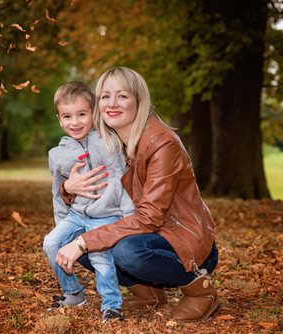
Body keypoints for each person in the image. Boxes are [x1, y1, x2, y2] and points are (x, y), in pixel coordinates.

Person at [55, 67, 219, 323]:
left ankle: (200, 290)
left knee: (123, 251)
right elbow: (77, 183)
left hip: (182, 240)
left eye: (122, 96)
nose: (112, 104)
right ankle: (148, 292)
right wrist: (68, 188)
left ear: (138, 100)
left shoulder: (162, 143)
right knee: (75, 236)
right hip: (147, 233)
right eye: (105, 97)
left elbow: (150, 217)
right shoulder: (108, 140)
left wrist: (84, 242)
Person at [42, 81, 135, 323]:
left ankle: (112, 306)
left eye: (82, 114)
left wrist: (127, 214)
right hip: (76, 214)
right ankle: (73, 294)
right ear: (59, 119)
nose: (75, 122)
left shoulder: (108, 142)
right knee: (52, 243)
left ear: (93, 113)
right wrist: (61, 223)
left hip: (106, 213)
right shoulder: (61, 153)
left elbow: (120, 180)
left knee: (99, 257)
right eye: (67, 116)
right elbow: (58, 190)